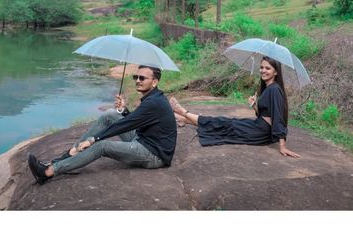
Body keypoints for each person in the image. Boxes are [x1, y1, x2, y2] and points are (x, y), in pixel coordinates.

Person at [28, 65, 177, 184]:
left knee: (102, 146)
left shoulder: (154, 102)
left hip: (153, 154)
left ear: (155, 82)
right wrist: (124, 110)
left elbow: (126, 125)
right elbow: (136, 121)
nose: (137, 80)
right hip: (142, 139)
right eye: (135, 77)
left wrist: (94, 139)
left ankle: (48, 172)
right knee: (111, 115)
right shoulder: (153, 97)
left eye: (142, 78)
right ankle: (69, 156)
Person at [170, 56, 300, 158]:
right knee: (227, 122)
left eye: (268, 68)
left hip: (261, 132)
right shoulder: (268, 88)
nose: (263, 71)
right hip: (258, 126)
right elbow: (265, 114)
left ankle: (184, 112)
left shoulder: (274, 90)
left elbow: (277, 116)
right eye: (261, 67)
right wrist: (255, 106)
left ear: (276, 72)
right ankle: (184, 119)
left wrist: (282, 145)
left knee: (227, 124)